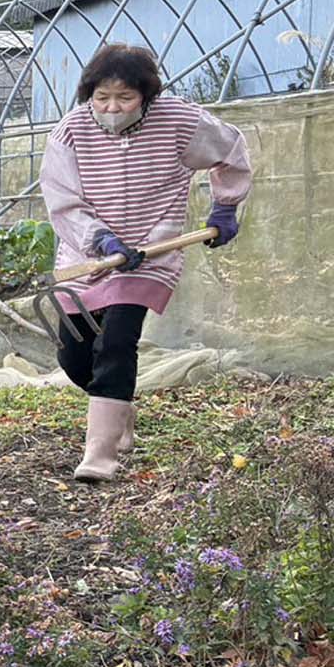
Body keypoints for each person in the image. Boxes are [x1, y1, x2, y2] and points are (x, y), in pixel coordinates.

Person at [39, 43, 251, 481]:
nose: (112, 108)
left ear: (147, 95)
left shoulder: (179, 121)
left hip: (149, 255)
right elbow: (62, 200)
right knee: (75, 359)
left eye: (125, 98)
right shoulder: (71, 131)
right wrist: (98, 239)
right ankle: (119, 414)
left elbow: (230, 150)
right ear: (88, 95)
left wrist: (225, 206)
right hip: (88, 257)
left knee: (115, 344)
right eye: (102, 98)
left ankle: (100, 456)